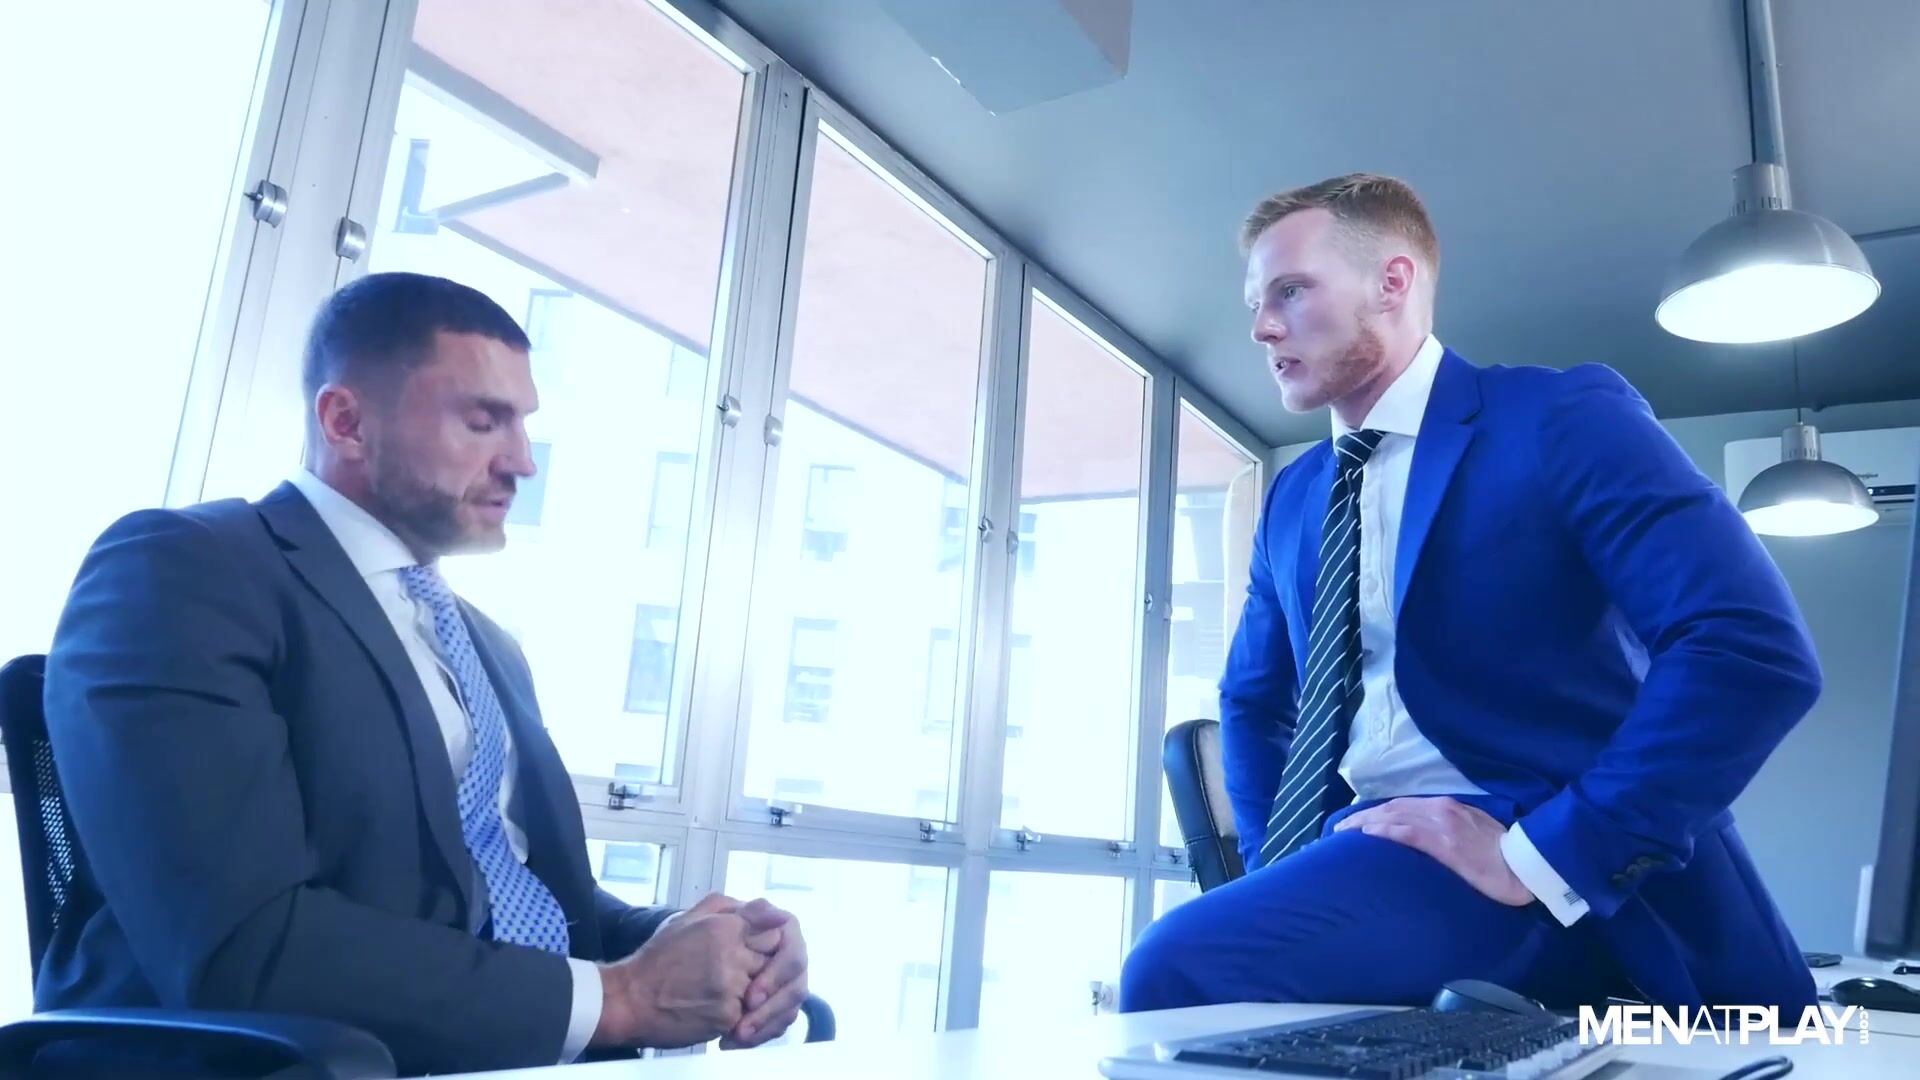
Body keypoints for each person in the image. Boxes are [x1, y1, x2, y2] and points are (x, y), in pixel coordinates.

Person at [41, 272, 809, 1074]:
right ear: (346, 422)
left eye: (524, 424)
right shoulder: (183, 570)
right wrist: (620, 999)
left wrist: (704, 949)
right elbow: (242, 944)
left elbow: (522, 899)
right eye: (484, 421)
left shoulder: (486, 644)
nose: (523, 463)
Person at [1121, 175, 1822, 1014]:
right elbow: (1255, 700)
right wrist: (1283, 871)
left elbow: (1747, 645)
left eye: (1291, 291)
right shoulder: (1295, 496)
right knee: (1214, 972)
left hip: (1544, 855)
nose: (1262, 327)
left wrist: (1544, 856)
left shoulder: (1559, 417)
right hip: (1371, 852)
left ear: (1392, 281)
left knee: (1178, 968)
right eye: (1256, 303)